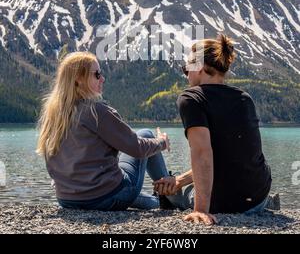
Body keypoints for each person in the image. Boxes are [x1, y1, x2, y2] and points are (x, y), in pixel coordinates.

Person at [154, 34, 273, 225]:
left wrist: (201, 210)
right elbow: (229, 158)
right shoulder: (244, 98)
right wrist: (180, 180)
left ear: (198, 67)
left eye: (186, 69)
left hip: (227, 203)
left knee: (168, 193)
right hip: (258, 197)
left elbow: (202, 153)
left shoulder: (191, 99)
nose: (186, 75)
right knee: (177, 182)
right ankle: (267, 203)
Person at [36, 51, 170, 211]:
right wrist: (162, 141)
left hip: (67, 200)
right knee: (146, 134)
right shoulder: (95, 111)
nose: (103, 79)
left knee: (117, 189)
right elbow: (137, 148)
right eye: (97, 74)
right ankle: (170, 194)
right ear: (78, 78)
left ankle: (161, 203)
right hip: (104, 196)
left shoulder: (53, 114)